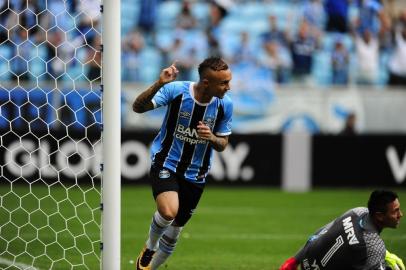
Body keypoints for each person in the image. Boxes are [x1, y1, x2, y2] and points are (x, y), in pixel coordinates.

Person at [132, 57, 233, 270]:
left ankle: (149, 269)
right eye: (223, 82)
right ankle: (150, 247)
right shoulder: (177, 90)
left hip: (196, 173)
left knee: (176, 229)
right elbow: (137, 108)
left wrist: (212, 138)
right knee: (169, 212)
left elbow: (223, 143)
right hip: (166, 162)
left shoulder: (225, 105)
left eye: (228, 81)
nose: (228, 87)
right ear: (206, 83)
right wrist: (159, 83)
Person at [279, 190, 404, 270]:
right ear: (379, 216)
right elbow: (369, 245)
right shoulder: (375, 246)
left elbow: (320, 234)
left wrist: (294, 260)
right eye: (395, 211)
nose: (400, 214)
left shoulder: (357, 212)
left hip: (306, 261)